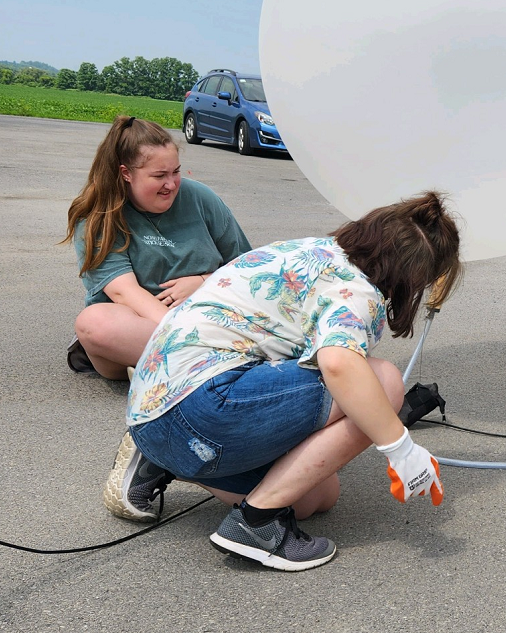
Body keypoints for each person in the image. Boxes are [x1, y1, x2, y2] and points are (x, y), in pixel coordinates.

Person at [109, 192, 460, 571]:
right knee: (383, 382)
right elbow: (339, 364)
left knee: (315, 498)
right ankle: (256, 524)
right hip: (201, 404)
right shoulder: (356, 291)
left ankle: (164, 461)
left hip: (154, 409)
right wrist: (401, 448)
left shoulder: (312, 250)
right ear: (413, 275)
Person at [64, 116, 251, 380]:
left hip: (209, 317)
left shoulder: (201, 198)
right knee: (93, 323)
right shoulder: (98, 216)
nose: (172, 184)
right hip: (141, 328)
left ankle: (185, 368)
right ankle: (216, 362)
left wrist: (203, 281)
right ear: (126, 173)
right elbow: (124, 293)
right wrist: (182, 330)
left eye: (175, 172)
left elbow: (247, 268)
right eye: (159, 176)